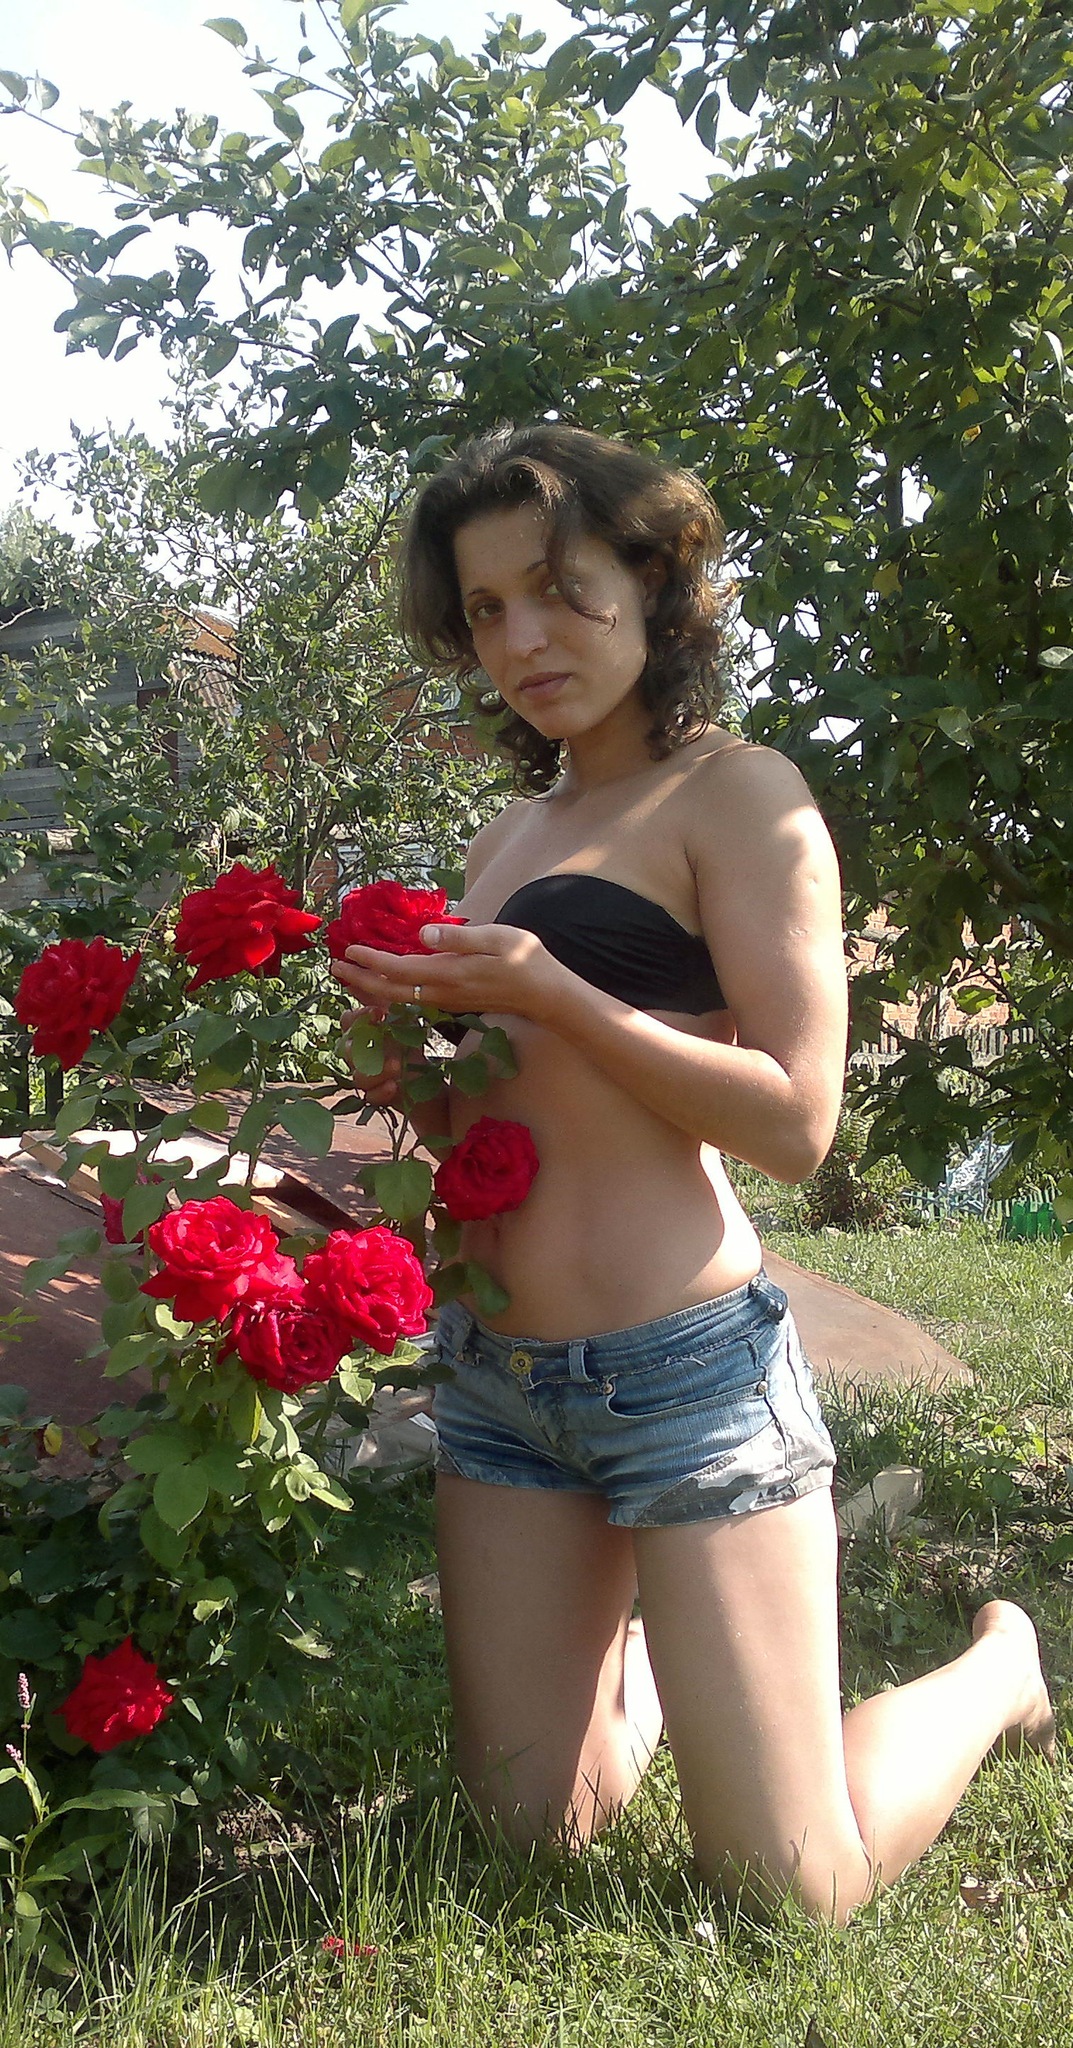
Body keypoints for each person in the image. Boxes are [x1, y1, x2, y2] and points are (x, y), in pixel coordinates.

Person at [331, 423, 1055, 1925]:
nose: (524, 640)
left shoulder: (740, 796)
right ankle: (686, 1638)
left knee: (792, 1893)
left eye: (559, 589)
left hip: (682, 1372)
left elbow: (797, 1121)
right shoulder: (510, 833)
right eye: (486, 609)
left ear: (654, 584)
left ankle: (998, 1670)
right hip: (500, 1378)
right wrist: (408, 1069)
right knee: (532, 1837)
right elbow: (505, 1120)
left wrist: (554, 991)